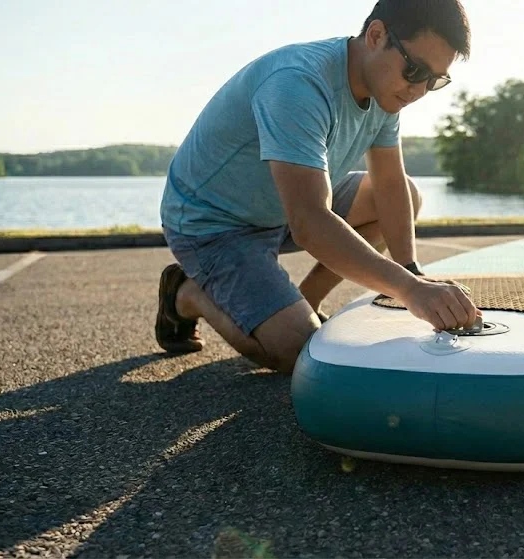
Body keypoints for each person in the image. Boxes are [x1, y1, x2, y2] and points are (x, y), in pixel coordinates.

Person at [154, 0, 480, 373]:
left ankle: (303, 301)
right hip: (213, 222)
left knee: (407, 192)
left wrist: (411, 270)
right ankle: (188, 293)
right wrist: (409, 290)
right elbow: (309, 220)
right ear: (376, 35)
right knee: (302, 354)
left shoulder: (387, 91)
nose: (419, 90)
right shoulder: (298, 83)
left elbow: (390, 185)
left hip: (280, 209)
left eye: (435, 79)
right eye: (415, 69)